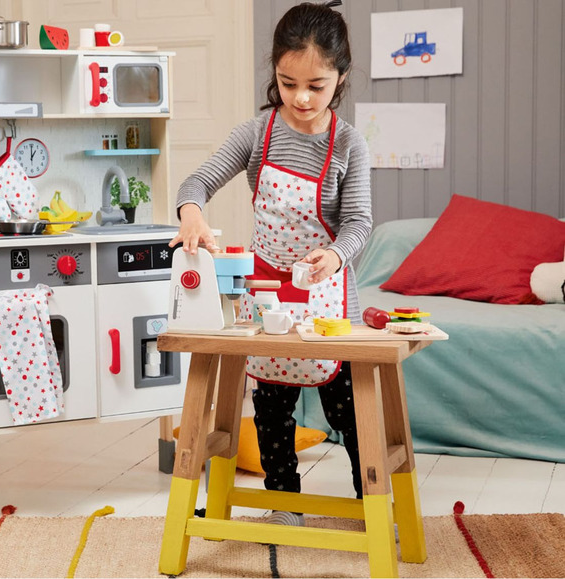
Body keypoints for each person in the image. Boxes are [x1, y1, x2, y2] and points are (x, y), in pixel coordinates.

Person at [169, 0, 372, 527]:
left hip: (326, 296)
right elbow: (197, 182)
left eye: (317, 85)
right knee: (273, 406)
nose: (301, 98)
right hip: (267, 293)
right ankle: (283, 503)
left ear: (341, 78)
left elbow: (359, 224)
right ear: (275, 74)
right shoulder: (256, 134)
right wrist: (191, 214)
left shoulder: (349, 143)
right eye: (288, 83)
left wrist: (334, 255)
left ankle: (365, 503)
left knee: (345, 410)